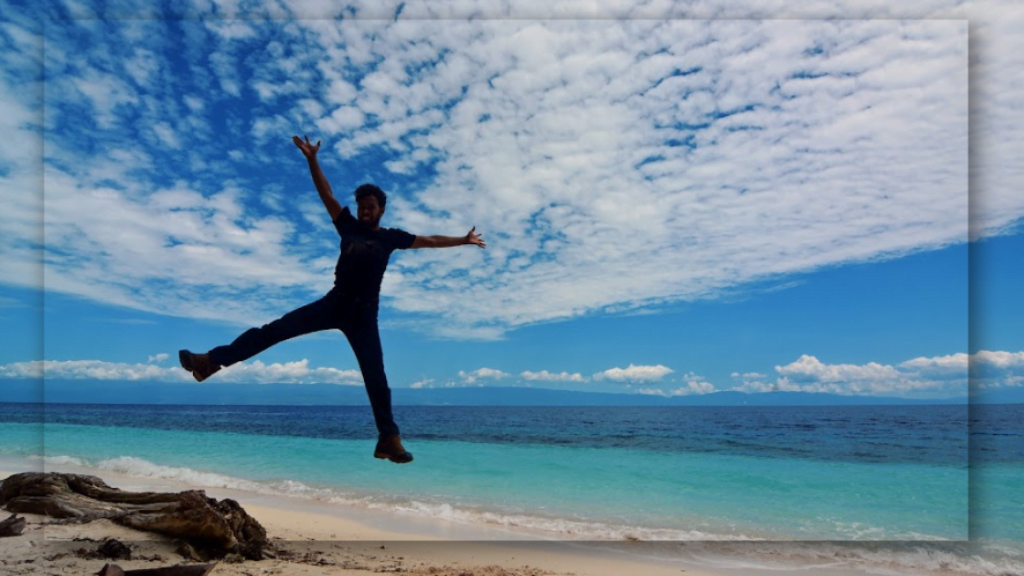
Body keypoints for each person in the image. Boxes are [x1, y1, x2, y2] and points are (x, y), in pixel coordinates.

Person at [179, 134, 486, 464]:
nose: (365, 211)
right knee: (272, 331)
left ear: (381, 209)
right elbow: (325, 193)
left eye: (371, 207)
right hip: (334, 303)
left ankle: (388, 440)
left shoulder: (391, 238)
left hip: (364, 316)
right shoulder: (348, 227)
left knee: (377, 378)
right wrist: (312, 159)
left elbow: (429, 240)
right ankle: (210, 361)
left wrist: (463, 240)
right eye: (361, 206)